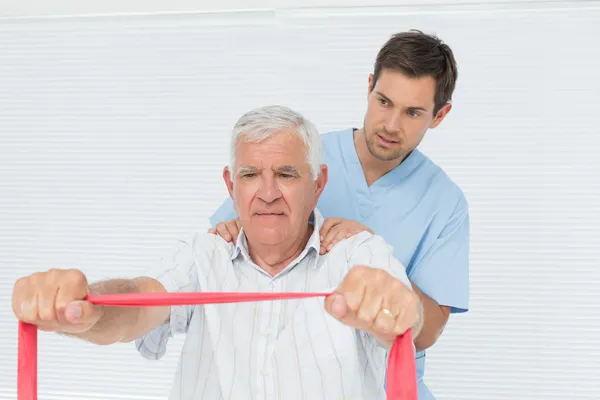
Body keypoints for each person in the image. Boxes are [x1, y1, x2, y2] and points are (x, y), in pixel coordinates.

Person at [12, 105, 423, 400]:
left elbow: (407, 321)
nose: (266, 193)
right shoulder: (203, 254)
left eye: (285, 174)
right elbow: (140, 305)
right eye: (250, 175)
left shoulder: (357, 253)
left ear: (318, 184)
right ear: (231, 186)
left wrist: (397, 311)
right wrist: (87, 308)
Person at [209, 30, 469, 400]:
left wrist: (373, 251)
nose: (391, 125)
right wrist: (234, 231)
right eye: (383, 101)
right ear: (369, 87)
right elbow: (223, 249)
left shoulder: (446, 203)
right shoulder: (302, 155)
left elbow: (427, 332)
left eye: (413, 112)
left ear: (439, 115)